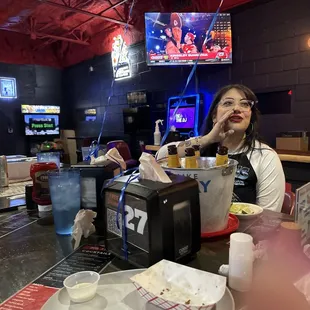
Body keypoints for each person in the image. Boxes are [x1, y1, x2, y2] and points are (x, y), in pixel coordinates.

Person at [157, 84, 285, 212]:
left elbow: (269, 217)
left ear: (250, 116)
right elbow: (160, 156)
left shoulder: (265, 156)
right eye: (228, 103)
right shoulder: (199, 144)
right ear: (214, 116)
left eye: (245, 104)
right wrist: (208, 139)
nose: (236, 108)